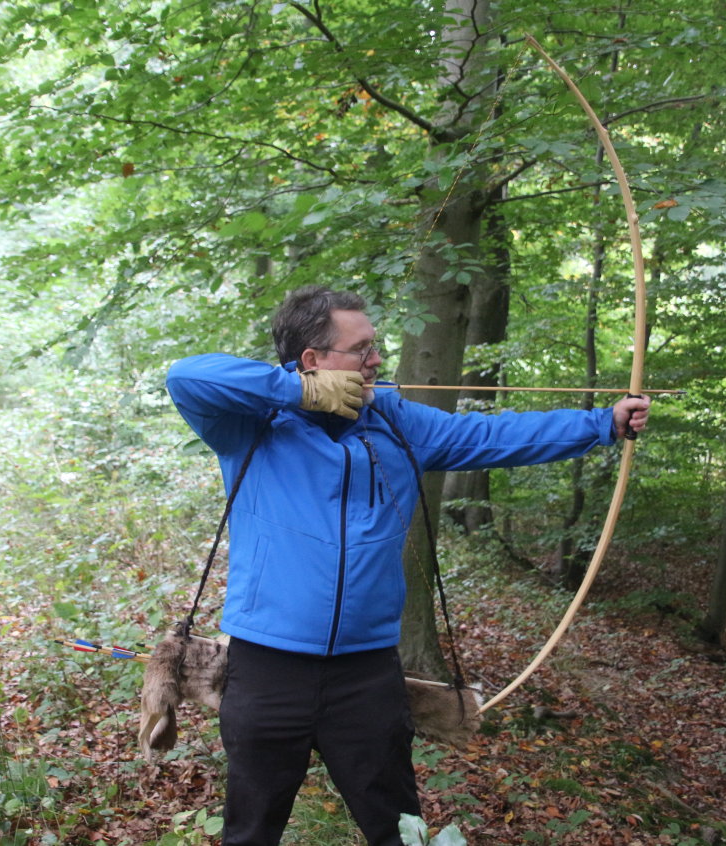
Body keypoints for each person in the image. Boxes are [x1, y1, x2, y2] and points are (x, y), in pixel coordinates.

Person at [165, 285, 651, 846]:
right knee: (250, 831)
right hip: (267, 666)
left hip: (365, 671)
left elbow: (493, 435)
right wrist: (297, 391)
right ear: (312, 360)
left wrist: (602, 424)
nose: (376, 359)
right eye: (361, 349)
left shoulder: (398, 424)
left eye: (376, 346)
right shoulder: (252, 425)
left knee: (398, 830)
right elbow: (185, 375)